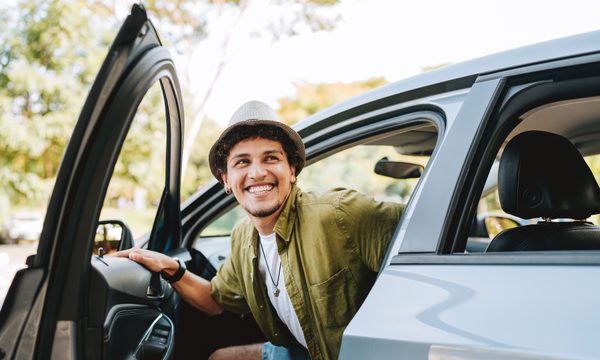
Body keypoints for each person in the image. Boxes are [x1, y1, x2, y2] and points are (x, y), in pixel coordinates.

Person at [115, 100, 403, 360]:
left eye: (271, 158)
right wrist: (169, 267)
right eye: (243, 162)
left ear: (291, 170)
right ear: (226, 180)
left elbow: (429, 233)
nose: (257, 173)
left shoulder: (342, 214)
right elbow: (215, 301)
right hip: (300, 350)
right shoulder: (243, 237)